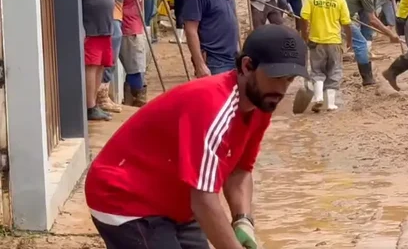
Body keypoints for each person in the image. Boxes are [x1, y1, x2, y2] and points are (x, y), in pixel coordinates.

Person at [84, 25, 309, 249]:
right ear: (247, 66)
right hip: (124, 196)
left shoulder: (260, 106)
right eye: (276, 77)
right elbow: (203, 199)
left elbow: (240, 170)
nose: (282, 89)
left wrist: (243, 220)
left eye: (288, 80)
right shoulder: (213, 106)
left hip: (177, 199)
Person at [96, 0, 141, 114]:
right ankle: (103, 98)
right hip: (113, 16)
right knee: (109, 60)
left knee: (107, 60)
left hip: (114, 16)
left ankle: (103, 98)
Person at [300, 0, 352, 112]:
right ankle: (330, 104)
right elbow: (346, 23)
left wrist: (305, 35)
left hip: (316, 40)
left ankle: (318, 97)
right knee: (334, 71)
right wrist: (349, 40)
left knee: (317, 70)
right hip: (334, 41)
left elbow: (304, 18)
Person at [336, 0, 400, 86]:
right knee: (361, 44)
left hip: (332, 15)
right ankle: (367, 79)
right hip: (339, 19)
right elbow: (372, 20)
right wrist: (390, 34)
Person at [117, 0, 161, 107]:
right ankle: (136, 104)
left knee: (136, 67)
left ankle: (131, 103)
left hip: (131, 25)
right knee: (136, 69)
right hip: (131, 28)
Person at [80, 0, 117, 121]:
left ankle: (94, 105)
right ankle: (89, 107)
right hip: (92, 31)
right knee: (91, 67)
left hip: (104, 29)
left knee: (101, 66)